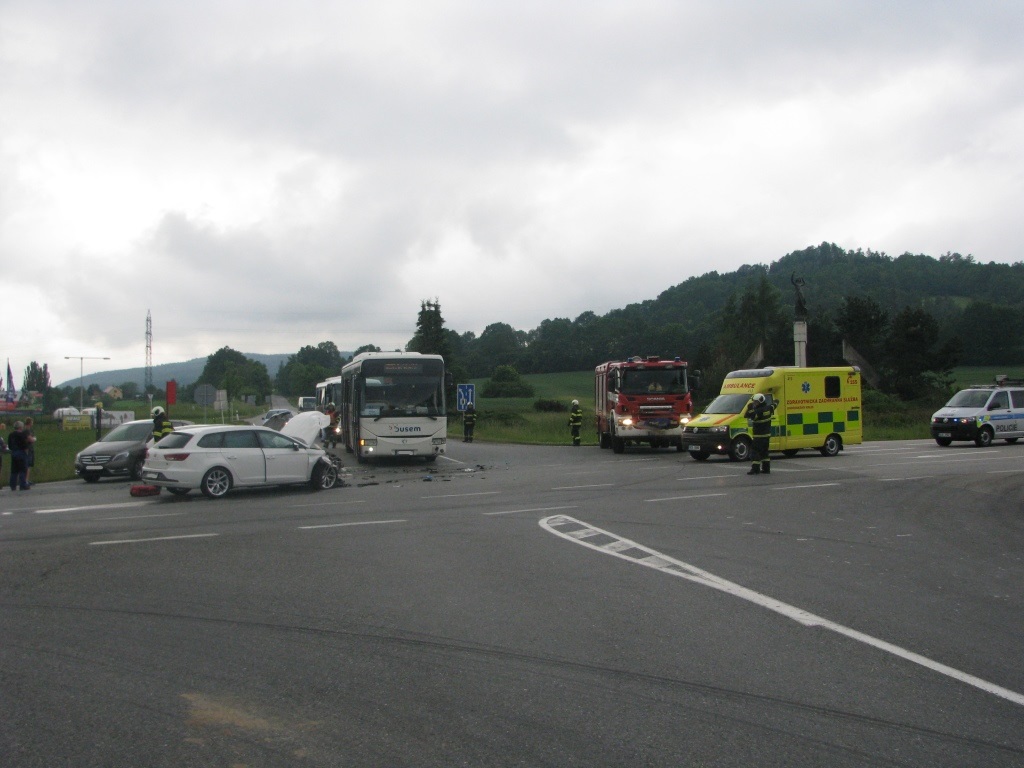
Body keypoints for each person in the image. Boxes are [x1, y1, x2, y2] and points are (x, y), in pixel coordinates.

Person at [744, 393, 775, 475]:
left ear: (761, 401)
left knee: (755, 452)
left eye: (756, 402)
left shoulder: (758, 411)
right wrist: (775, 402)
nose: (755, 403)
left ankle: (755, 469)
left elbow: (753, 417)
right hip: (767, 435)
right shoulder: (768, 408)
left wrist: (750, 408)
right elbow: (774, 406)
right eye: (754, 402)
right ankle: (766, 469)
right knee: (764, 453)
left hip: (759, 436)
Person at [7, 421, 30, 491]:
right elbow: (25, 445)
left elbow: (10, 445)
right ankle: (22, 485)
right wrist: (26, 452)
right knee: (22, 469)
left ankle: (12, 485)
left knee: (14, 470)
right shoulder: (22, 434)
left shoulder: (11, 435)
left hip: (14, 453)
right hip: (21, 452)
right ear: (20, 427)